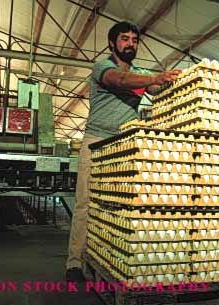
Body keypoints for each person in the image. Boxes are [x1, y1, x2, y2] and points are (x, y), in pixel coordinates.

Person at [66, 21, 181, 281]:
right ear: (112, 43)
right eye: (124, 39)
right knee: (86, 202)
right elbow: (119, 80)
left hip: (125, 146)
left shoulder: (140, 73)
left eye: (134, 39)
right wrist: (155, 78)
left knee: (120, 205)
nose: (130, 43)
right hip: (97, 141)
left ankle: (110, 256)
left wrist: (180, 80)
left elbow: (155, 87)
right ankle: (75, 262)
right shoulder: (102, 66)